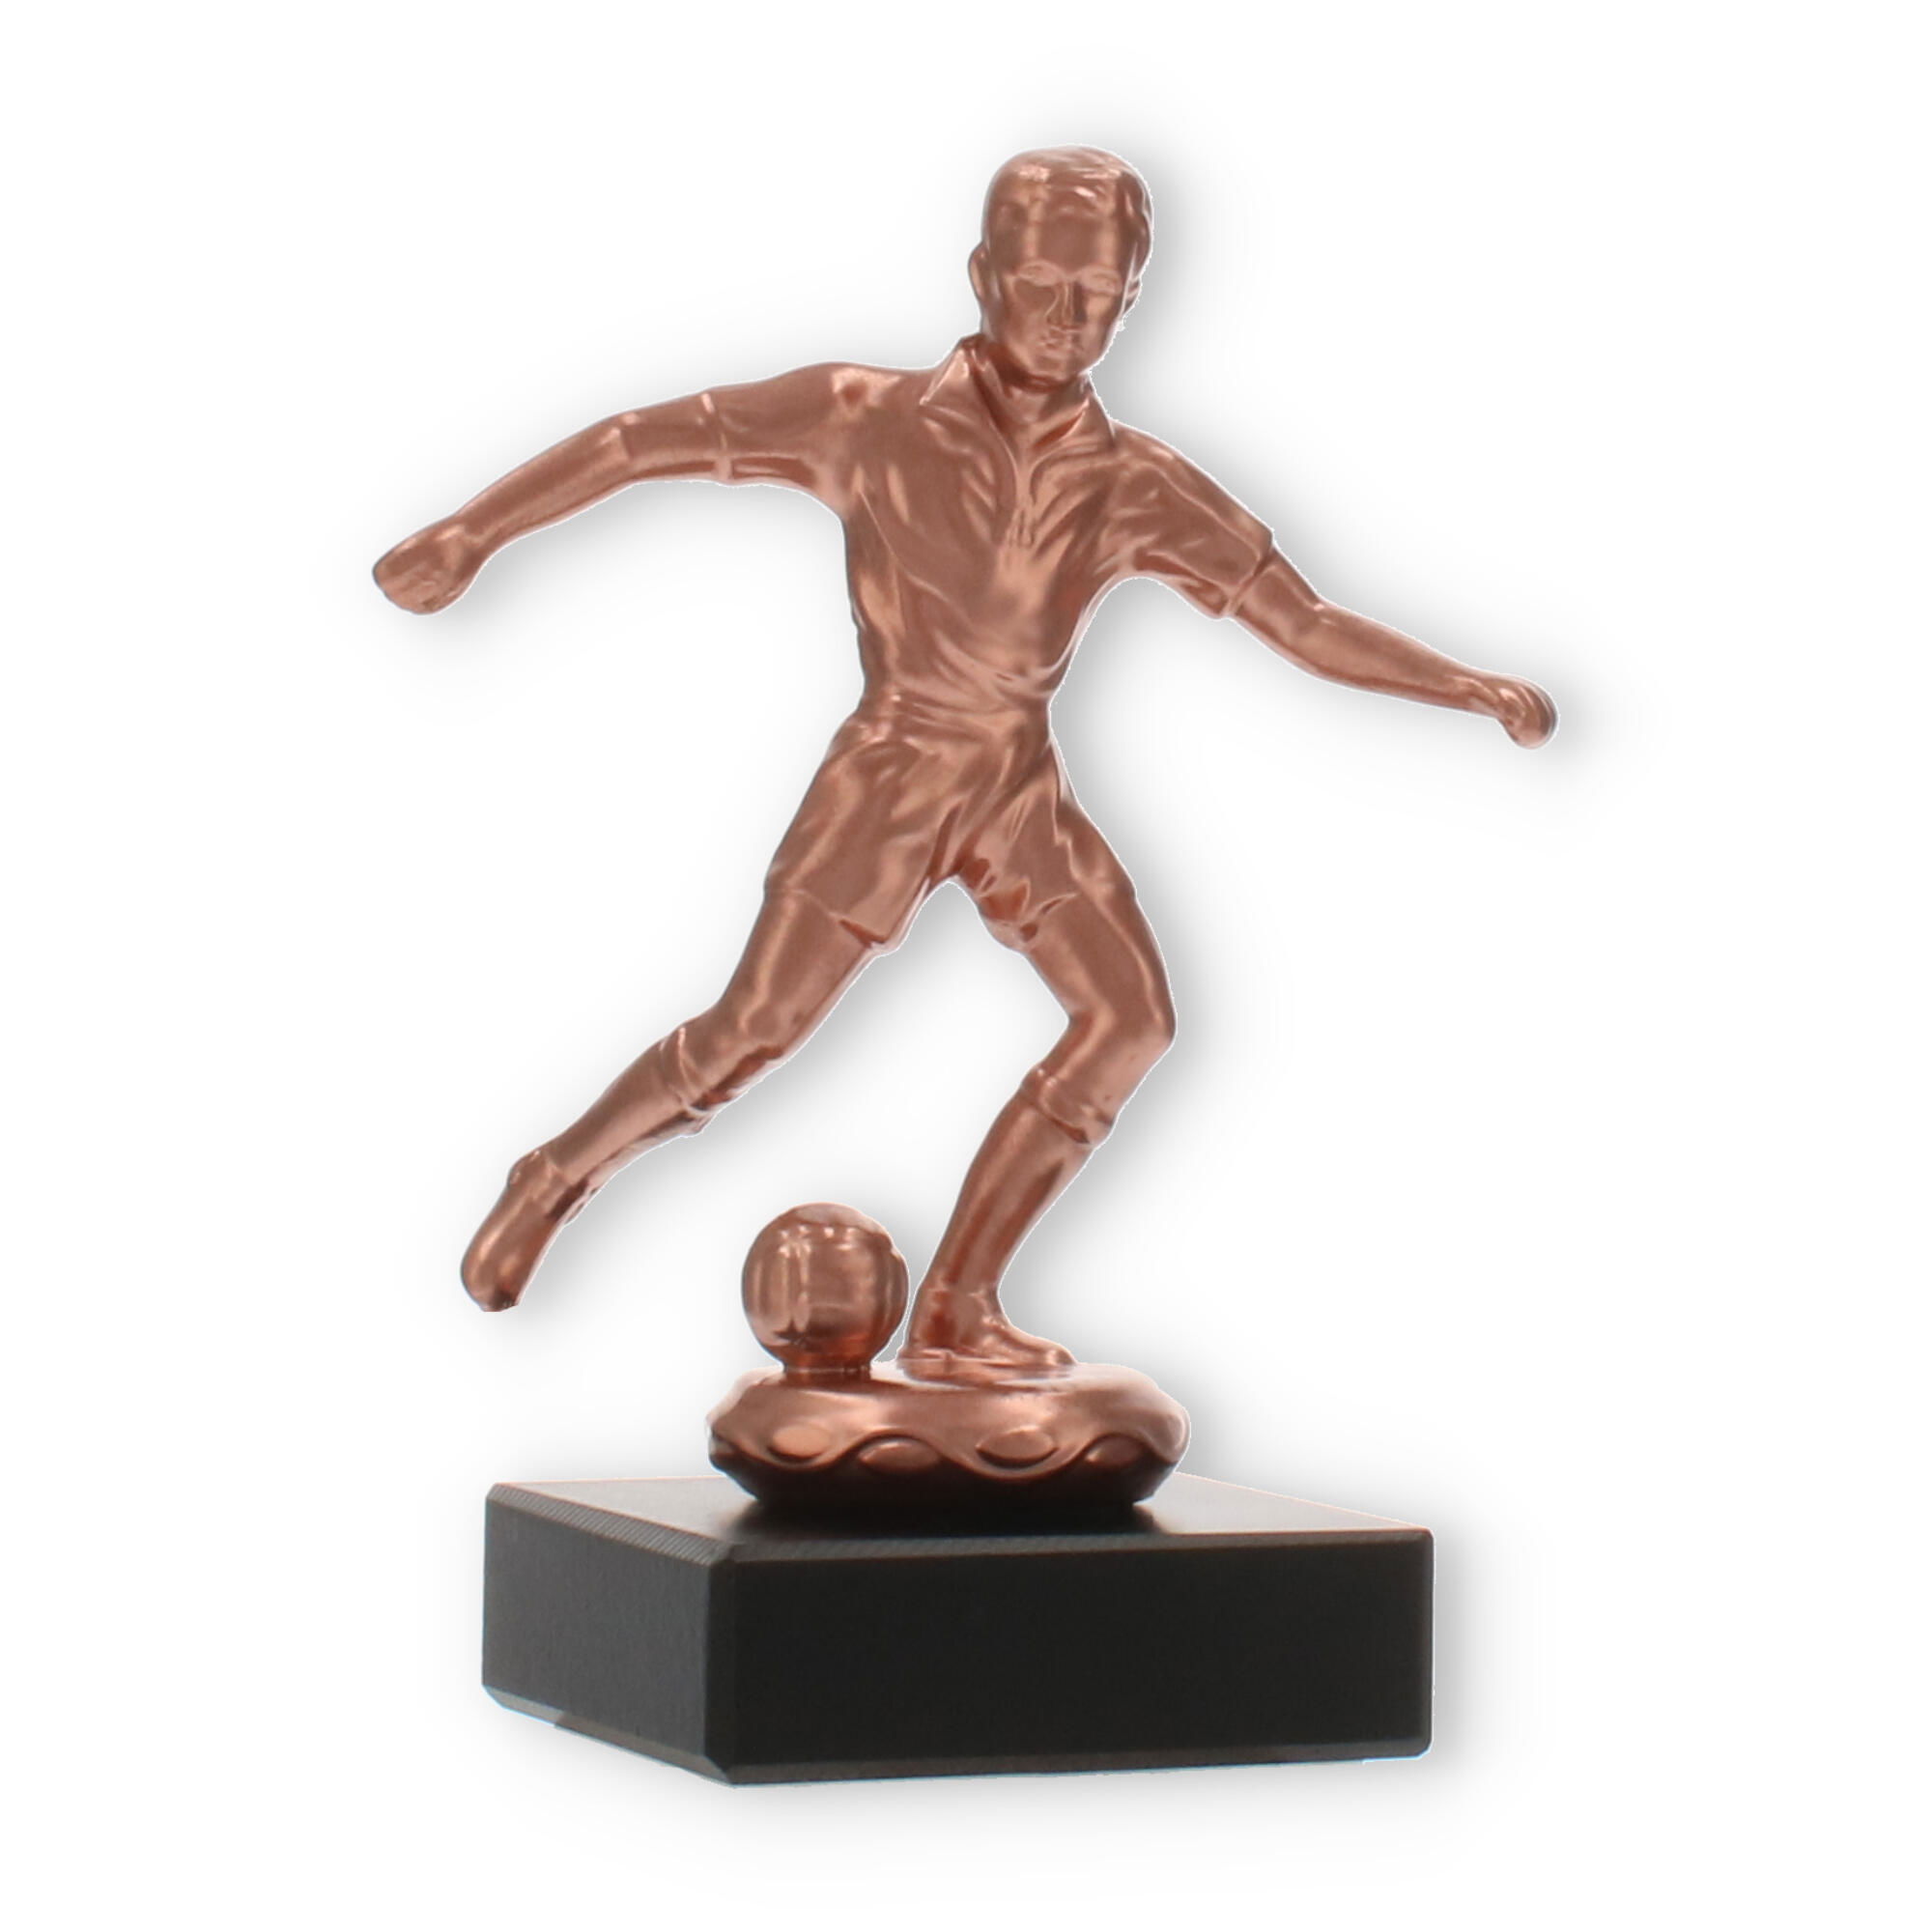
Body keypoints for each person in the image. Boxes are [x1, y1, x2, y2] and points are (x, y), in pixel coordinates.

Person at [375, 146, 1555, 1375]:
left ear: (1131, 297)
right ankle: (556, 1173)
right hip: (891, 772)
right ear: (983, 273)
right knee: (752, 1027)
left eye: (1096, 294)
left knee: (1129, 1020)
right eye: (1039, 283)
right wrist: (471, 532)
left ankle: (953, 1307)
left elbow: (1302, 621)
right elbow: (640, 441)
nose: (1064, 316)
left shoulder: (1133, 483)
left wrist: (1464, 685)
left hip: (1013, 786)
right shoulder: (864, 418)